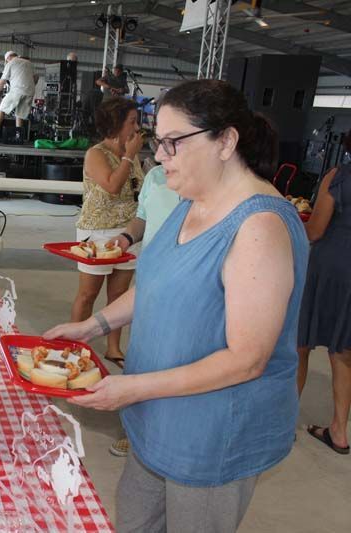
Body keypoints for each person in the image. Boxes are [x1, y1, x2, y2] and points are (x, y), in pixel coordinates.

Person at [45, 79, 309, 532]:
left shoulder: (259, 227)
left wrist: (133, 388)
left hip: (210, 436)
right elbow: (155, 287)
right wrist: (93, 325)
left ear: (226, 141)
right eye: (157, 140)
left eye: (173, 143)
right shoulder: (192, 202)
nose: (159, 155)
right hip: (156, 416)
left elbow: (247, 360)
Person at [107, 164, 180, 457]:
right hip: (149, 278)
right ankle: (133, 430)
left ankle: (164, 434)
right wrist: (125, 238)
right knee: (141, 356)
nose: (160, 152)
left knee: (173, 359)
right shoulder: (155, 176)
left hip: (183, 283)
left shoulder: (202, 182)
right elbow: (142, 218)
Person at [73, 97, 144, 362]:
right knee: (88, 293)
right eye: (132, 122)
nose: (137, 128)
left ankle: (113, 347)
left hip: (128, 232)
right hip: (97, 232)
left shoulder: (132, 155)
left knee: (118, 296)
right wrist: (128, 156)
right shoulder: (96, 153)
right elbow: (112, 185)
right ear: (116, 123)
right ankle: (76, 343)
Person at [297, 132, 351, 455]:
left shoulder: (338, 176)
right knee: (344, 351)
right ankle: (339, 432)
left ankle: (283, 424)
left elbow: (316, 230)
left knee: (301, 343)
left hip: (330, 268)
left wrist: (290, 218)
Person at [0, 51, 35, 140]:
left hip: (17, 90)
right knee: (19, 114)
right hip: (29, 91)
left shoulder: (11, 63)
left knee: (2, 108)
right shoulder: (29, 63)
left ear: (8, 58)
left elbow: (2, 81)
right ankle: (18, 135)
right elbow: (36, 77)